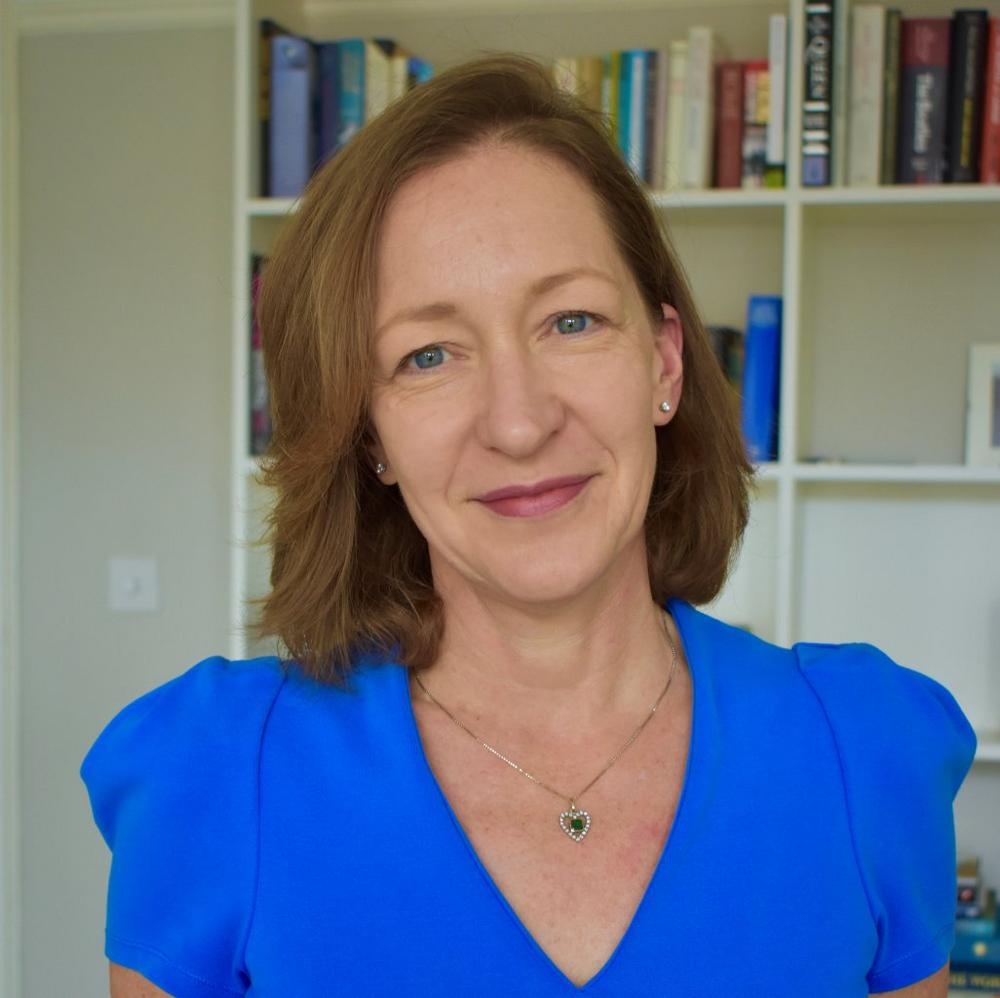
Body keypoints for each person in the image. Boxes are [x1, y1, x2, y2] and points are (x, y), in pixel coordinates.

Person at [81, 53, 977, 998]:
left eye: (572, 321)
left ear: (666, 364)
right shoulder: (215, 778)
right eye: (428, 355)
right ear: (370, 434)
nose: (519, 423)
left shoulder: (864, 752)